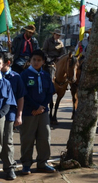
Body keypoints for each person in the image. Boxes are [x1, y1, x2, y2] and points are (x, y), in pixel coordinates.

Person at [20, 49, 56, 174]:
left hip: (43, 112)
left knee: (44, 138)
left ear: (43, 62)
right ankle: (26, 164)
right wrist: (35, 107)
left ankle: (43, 162)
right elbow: (24, 94)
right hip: (29, 113)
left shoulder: (46, 75)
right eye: (34, 60)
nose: (36, 62)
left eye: (39, 60)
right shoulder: (24, 75)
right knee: (27, 139)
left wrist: (42, 107)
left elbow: (50, 92)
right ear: (30, 61)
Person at [0, 52, 26, 180]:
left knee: (7, 141)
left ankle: (9, 167)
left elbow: (20, 97)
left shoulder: (15, 77)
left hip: (9, 113)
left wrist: (19, 115)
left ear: (6, 63)